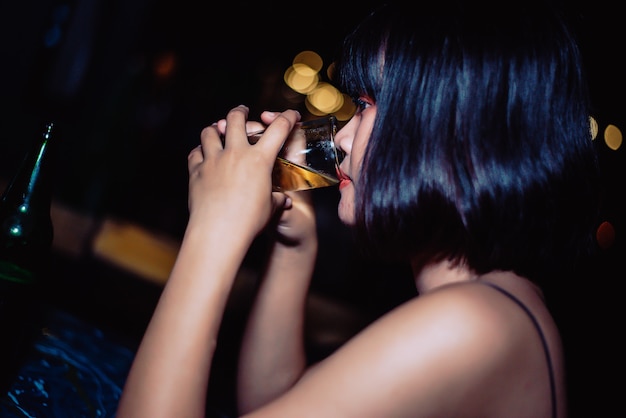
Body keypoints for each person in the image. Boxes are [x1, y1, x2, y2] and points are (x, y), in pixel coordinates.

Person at [116, 1, 601, 417]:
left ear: (448, 128)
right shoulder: (504, 304)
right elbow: (280, 404)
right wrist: (294, 247)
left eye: (368, 105)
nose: (343, 136)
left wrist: (212, 231)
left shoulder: (472, 324)